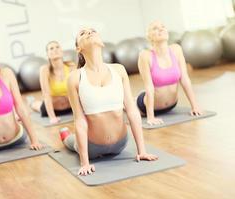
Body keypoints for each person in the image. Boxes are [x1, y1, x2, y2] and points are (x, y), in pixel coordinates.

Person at [60, 28, 158, 176]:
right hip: (91, 147)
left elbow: (131, 111)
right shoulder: (75, 77)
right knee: (72, 142)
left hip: (120, 144)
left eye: (93, 30)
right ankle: (65, 136)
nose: (89, 32)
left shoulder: (119, 70)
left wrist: (142, 151)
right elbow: (79, 120)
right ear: (78, 48)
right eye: (82, 33)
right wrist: (84, 163)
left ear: (102, 42)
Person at [137, 21, 202, 125]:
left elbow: (185, 80)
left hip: (172, 105)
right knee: (127, 108)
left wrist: (195, 106)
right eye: (155, 28)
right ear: (149, 36)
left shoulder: (176, 50)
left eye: (163, 27)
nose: (161, 29)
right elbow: (149, 87)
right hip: (145, 106)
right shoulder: (145, 56)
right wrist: (150, 117)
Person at [28, 41, 76, 124]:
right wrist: (52, 117)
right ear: (47, 55)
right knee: (37, 106)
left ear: (62, 52)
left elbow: (78, 90)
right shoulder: (44, 70)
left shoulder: (71, 66)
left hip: (70, 108)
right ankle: (31, 102)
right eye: (51, 48)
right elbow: (46, 94)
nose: (55, 50)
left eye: (57, 47)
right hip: (53, 109)